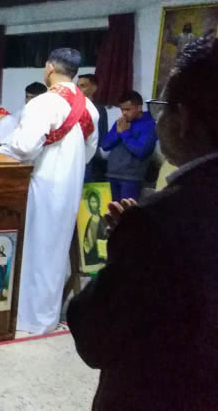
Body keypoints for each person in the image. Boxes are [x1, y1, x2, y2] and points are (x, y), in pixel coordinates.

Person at [67, 35, 218, 410]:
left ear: (184, 118)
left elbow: (94, 335)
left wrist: (127, 247)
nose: (157, 118)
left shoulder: (156, 221)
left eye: (160, 107)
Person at [0, 48, 99, 334]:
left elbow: (24, 147)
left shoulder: (43, 103)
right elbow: (89, 152)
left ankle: (25, 317)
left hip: (40, 184)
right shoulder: (90, 108)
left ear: (49, 68)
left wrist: (4, 146)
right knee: (55, 251)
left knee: (33, 248)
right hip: (69, 186)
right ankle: (46, 318)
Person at [99, 90, 158, 201]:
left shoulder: (150, 125)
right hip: (111, 175)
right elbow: (104, 145)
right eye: (122, 109)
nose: (124, 113)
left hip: (131, 178)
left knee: (127, 210)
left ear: (139, 108)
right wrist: (118, 133)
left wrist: (124, 133)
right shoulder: (122, 122)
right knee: (110, 210)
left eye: (127, 109)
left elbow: (141, 151)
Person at [81, 188, 107, 266]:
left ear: (98, 203)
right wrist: (86, 249)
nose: (93, 205)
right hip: (91, 259)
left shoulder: (103, 221)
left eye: (95, 202)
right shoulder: (88, 222)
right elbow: (86, 241)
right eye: (91, 202)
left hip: (101, 259)